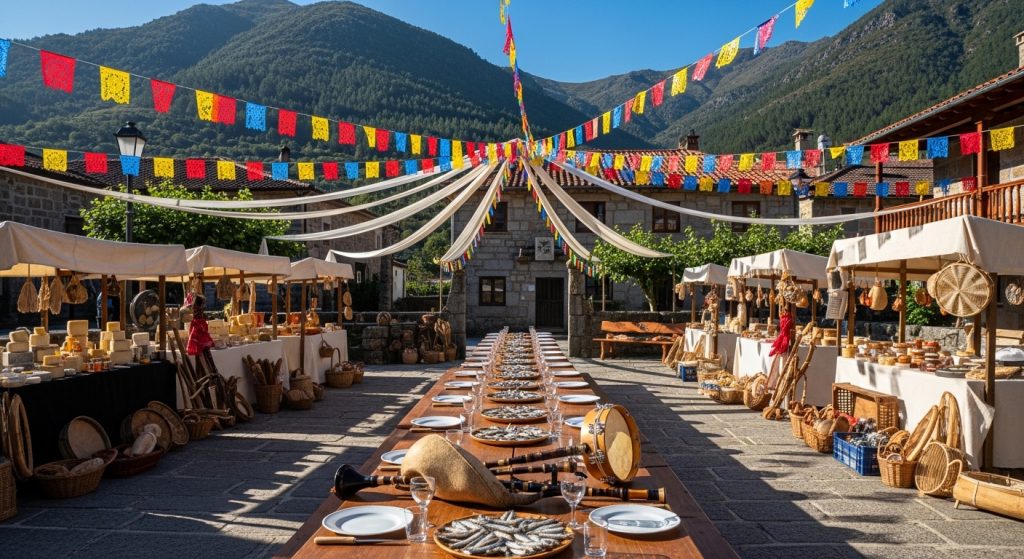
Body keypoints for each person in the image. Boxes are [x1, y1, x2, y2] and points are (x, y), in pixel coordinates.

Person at [185, 293, 214, 357]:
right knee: (200, 340)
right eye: (203, 302)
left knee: (196, 340)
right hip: (199, 324)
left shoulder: (194, 307)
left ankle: (199, 352)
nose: (204, 304)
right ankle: (200, 352)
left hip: (197, 324)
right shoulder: (199, 308)